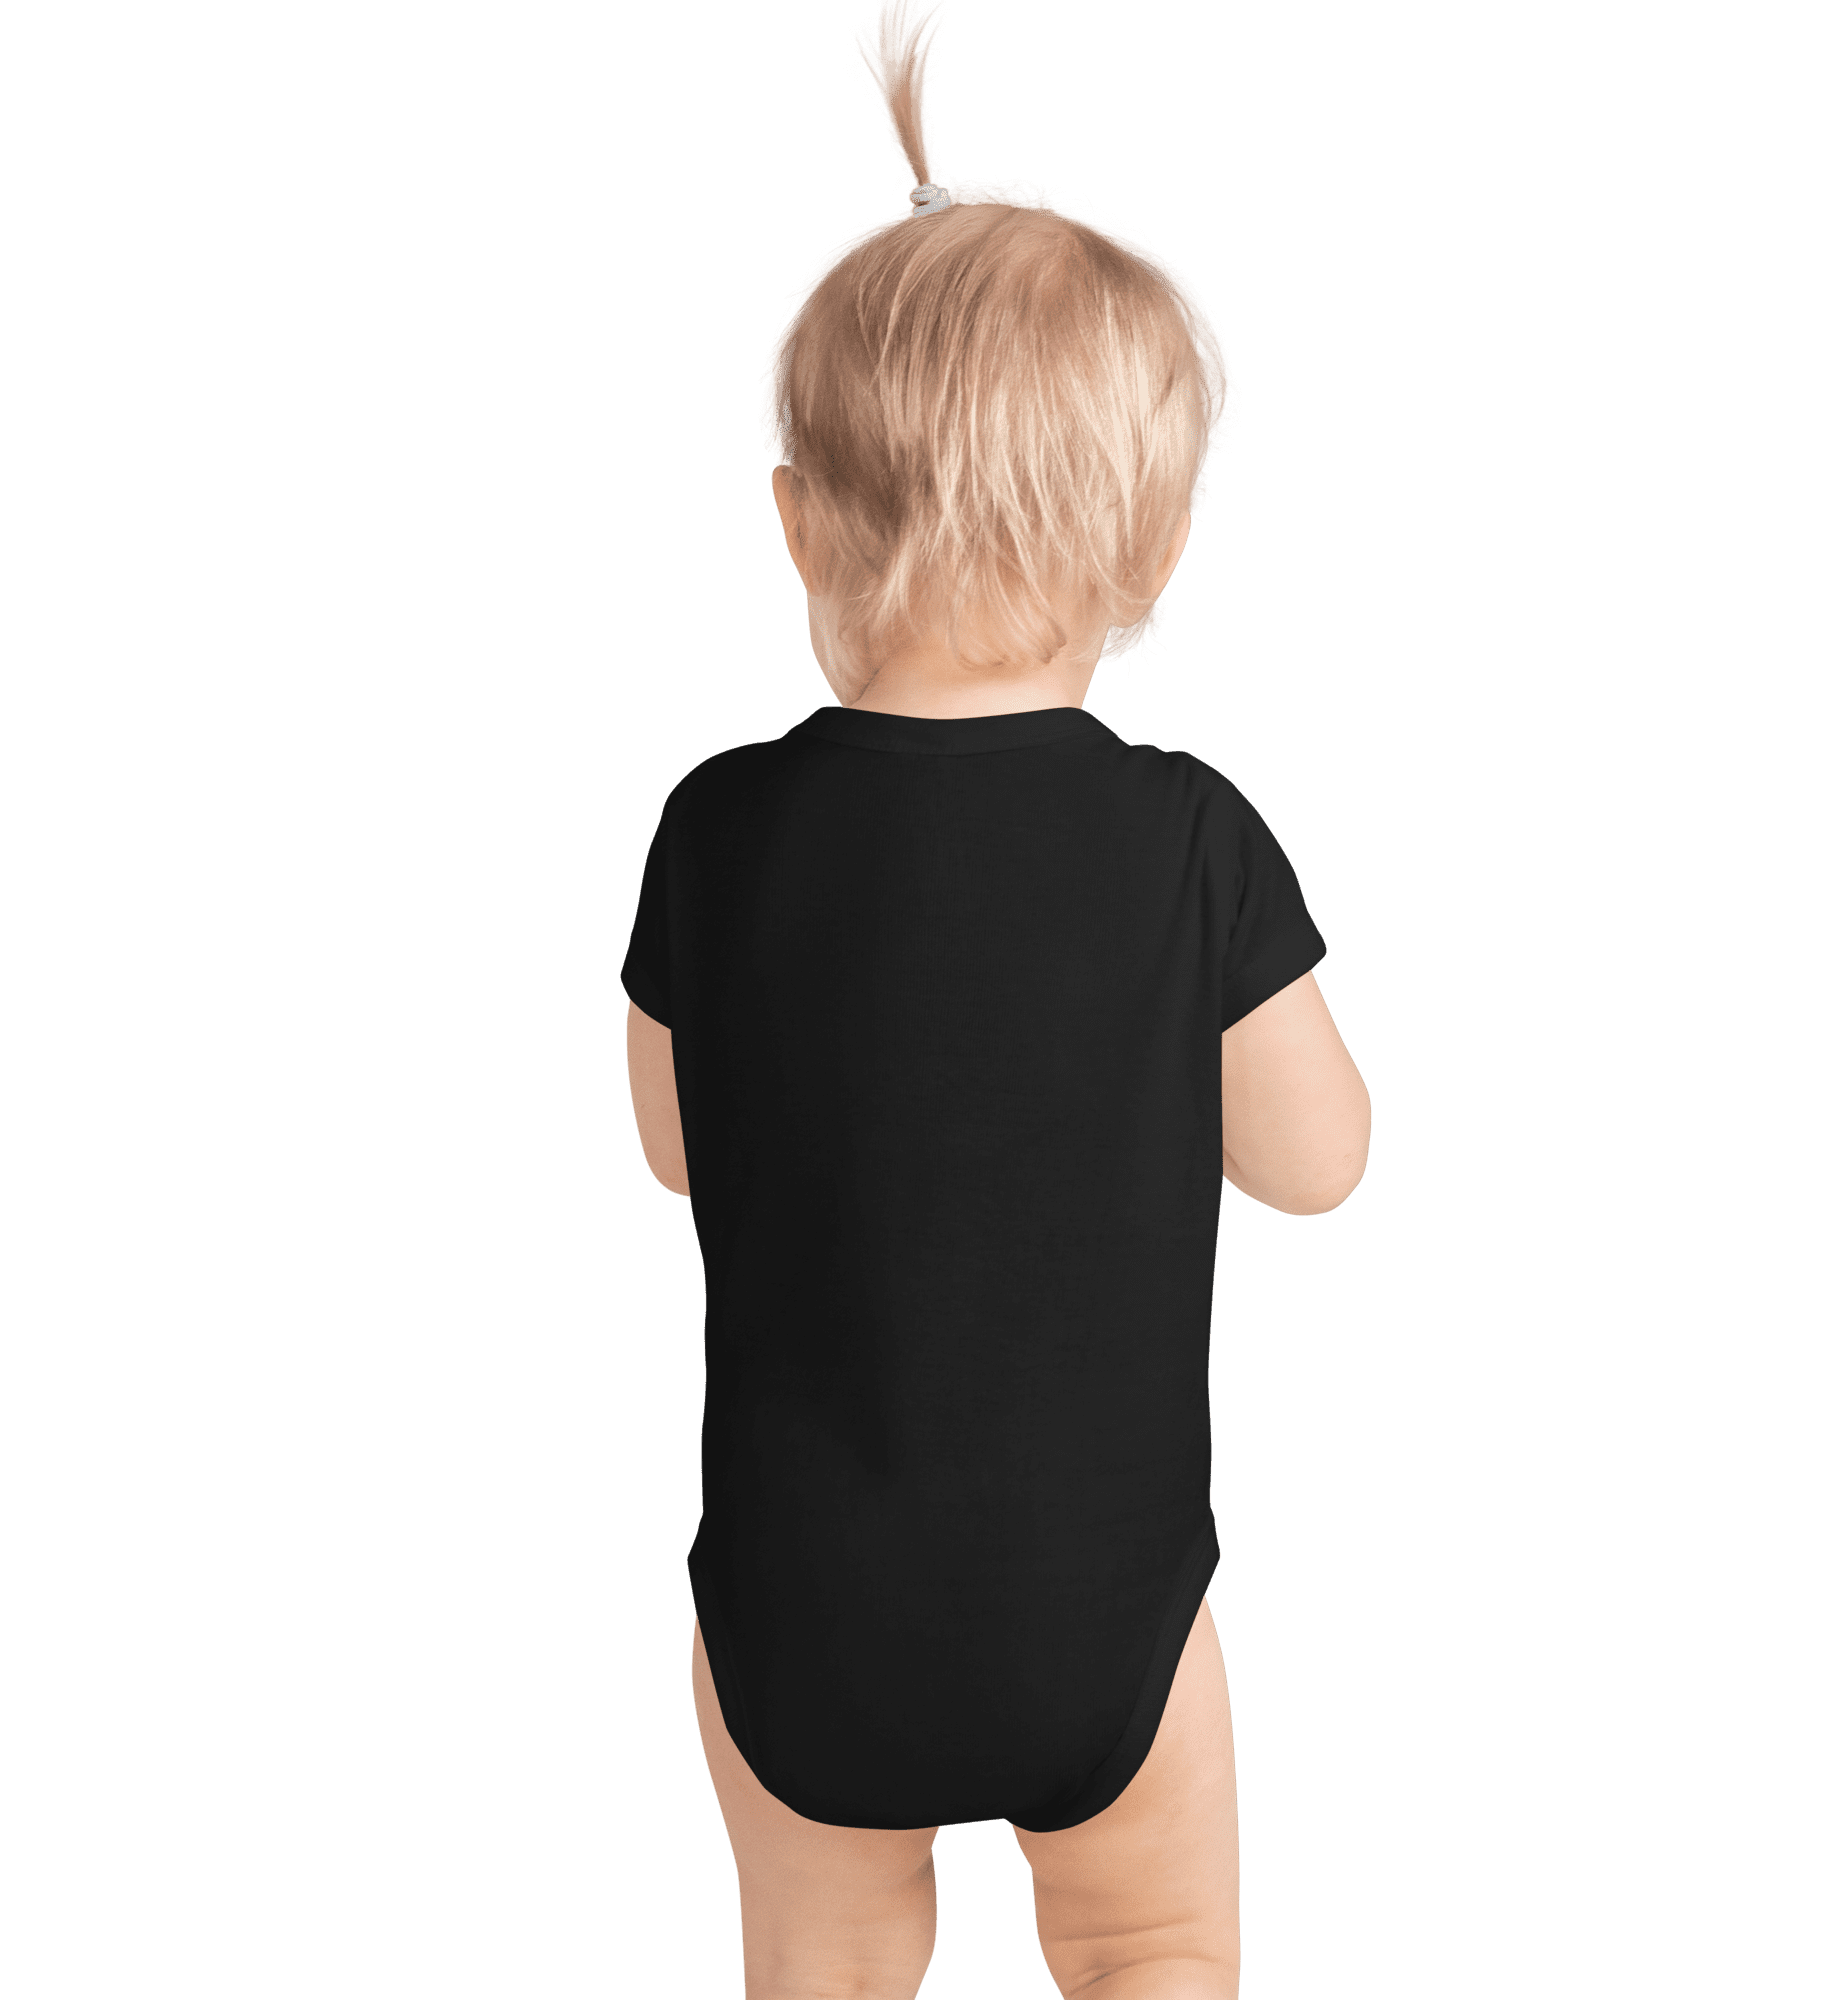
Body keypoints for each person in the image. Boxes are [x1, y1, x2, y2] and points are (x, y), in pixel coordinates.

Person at [622, 6, 1371, 1993]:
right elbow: (1318, 1166)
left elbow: (679, 1151)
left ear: (797, 514)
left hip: (796, 1606)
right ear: (1154, 543)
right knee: (1151, 1946)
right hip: (1094, 1606)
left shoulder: (714, 830)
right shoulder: (1188, 838)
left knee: (826, 1956)